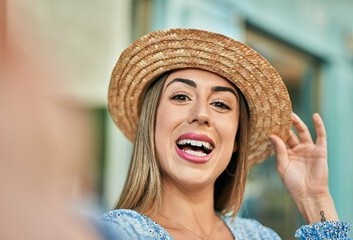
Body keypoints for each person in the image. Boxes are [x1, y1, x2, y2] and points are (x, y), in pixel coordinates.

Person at [100, 28, 351, 239]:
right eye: (180, 96)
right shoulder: (116, 233)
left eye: (220, 104)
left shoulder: (260, 236)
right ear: (151, 123)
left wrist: (314, 198)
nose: (202, 114)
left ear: (236, 141)